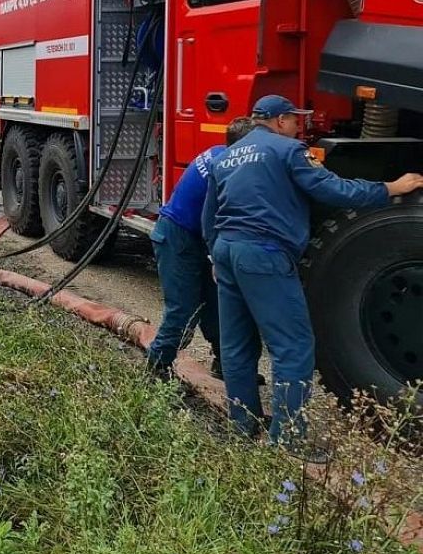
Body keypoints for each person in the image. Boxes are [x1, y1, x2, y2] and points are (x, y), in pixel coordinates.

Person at [202, 95, 423, 453]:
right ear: (278, 120)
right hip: (264, 254)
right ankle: (288, 439)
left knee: (237, 344)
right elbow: (332, 189)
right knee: (293, 346)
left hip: (227, 250)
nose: (298, 126)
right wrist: (390, 188)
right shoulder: (288, 151)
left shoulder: (227, 156)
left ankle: (243, 426)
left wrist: (215, 254)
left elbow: (210, 213)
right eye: (294, 119)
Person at [147, 117, 255, 380]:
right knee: (183, 308)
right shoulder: (225, 168)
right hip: (178, 237)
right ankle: (156, 367)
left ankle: (224, 363)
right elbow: (212, 219)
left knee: (217, 304)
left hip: (193, 236)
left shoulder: (220, 155)